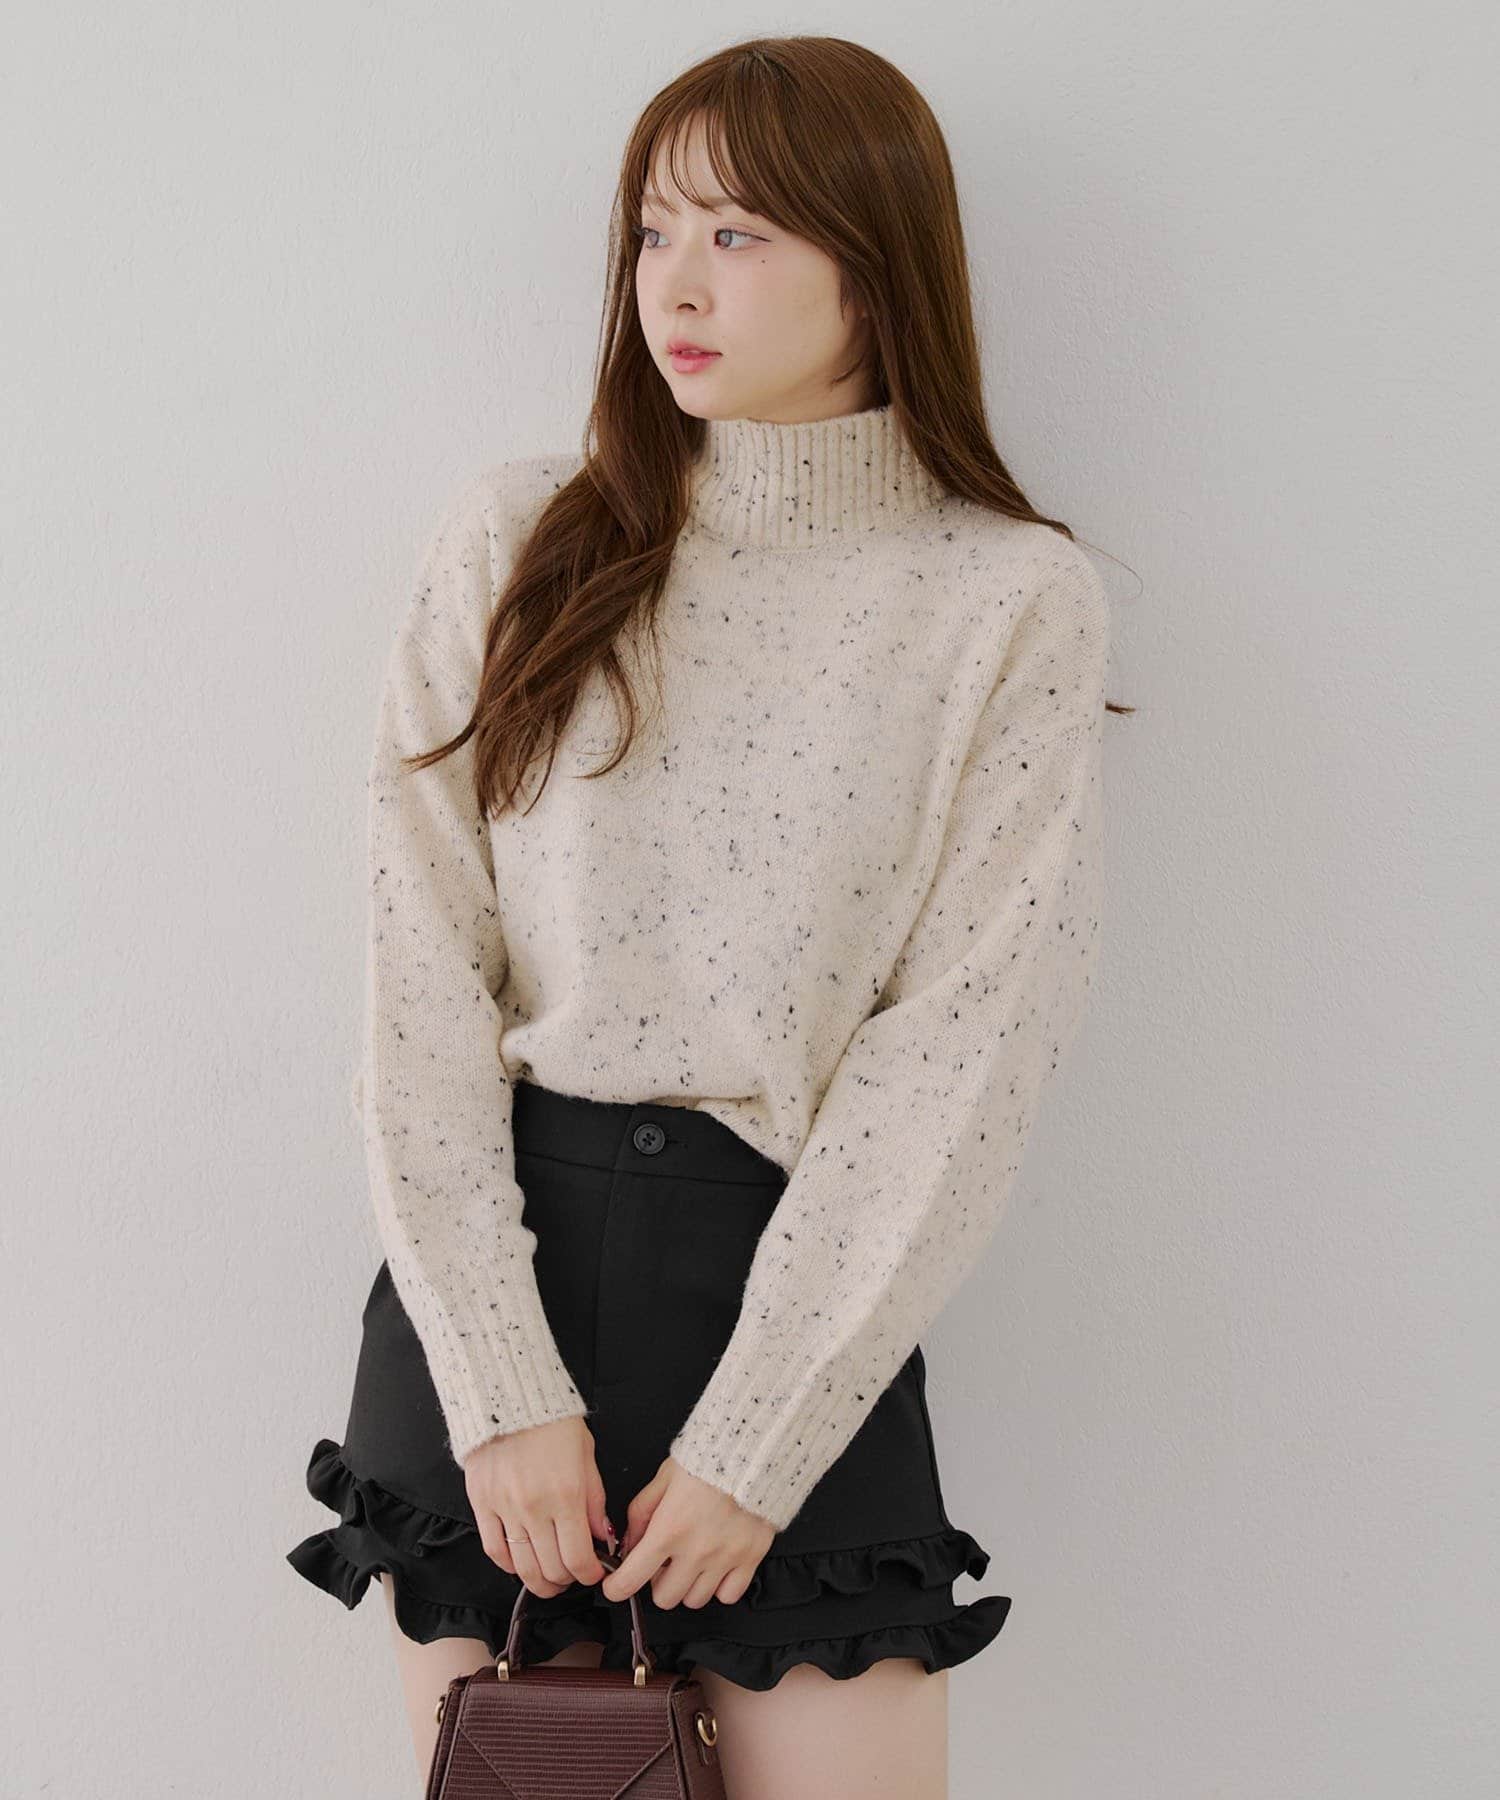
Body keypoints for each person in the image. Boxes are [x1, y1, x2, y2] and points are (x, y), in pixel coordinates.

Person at [287, 32, 1128, 1799]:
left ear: (875, 259)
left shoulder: (1005, 599)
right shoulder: (521, 537)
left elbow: (964, 1055)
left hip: (797, 1294)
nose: (676, 284)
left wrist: (761, 1438)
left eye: (739, 235)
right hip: (495, 1286)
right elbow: (417, 981)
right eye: (655, 232)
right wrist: (500, 1388)